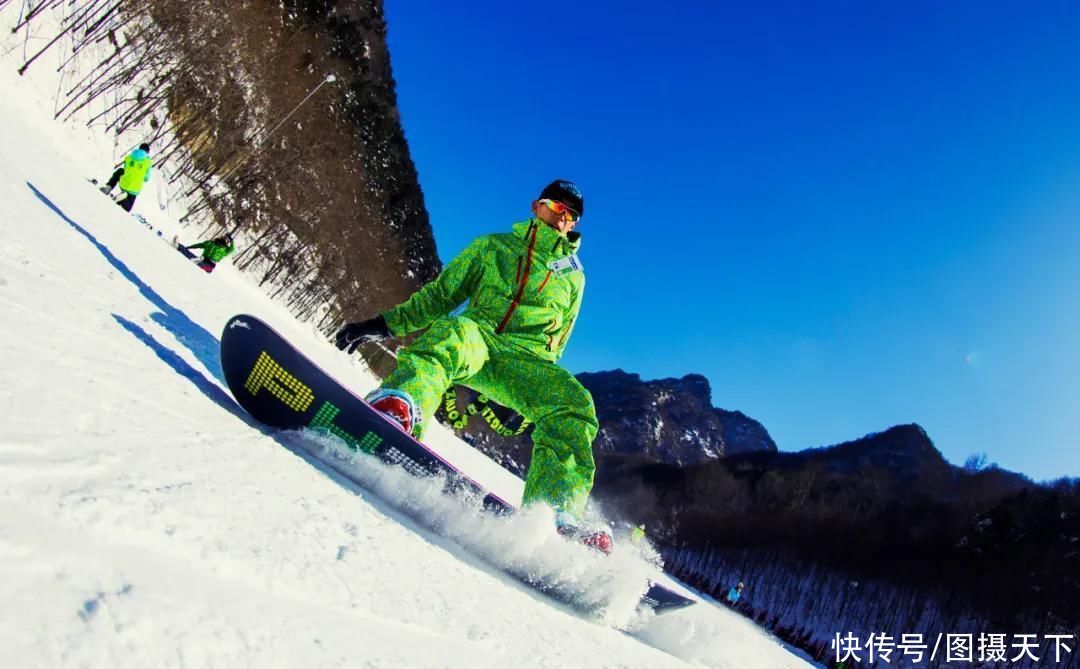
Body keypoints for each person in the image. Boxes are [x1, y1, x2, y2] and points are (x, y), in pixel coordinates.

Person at [334, 180, 610, 552]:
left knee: (574, 403)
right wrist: (382, 325)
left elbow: (557, 340)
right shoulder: (492, 247)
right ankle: (400, 409)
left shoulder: (574, 277)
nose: (563, 219)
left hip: (525, 360)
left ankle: (555, 514)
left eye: (571, 216)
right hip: (477, 337)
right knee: (450, 333)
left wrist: (524, 397)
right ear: (536, 206)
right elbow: (442, 295)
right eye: (557, 208)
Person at [99, 143, 153, 212]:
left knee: (120, 171)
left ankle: (109, 187)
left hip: (123, 184)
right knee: (127, 209)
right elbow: (146, 178)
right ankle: (123, 198)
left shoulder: (129, 157)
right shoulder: (148, 162)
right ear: (147, 152)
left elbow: (126, 169)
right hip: (134, 188)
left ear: (139, 148)